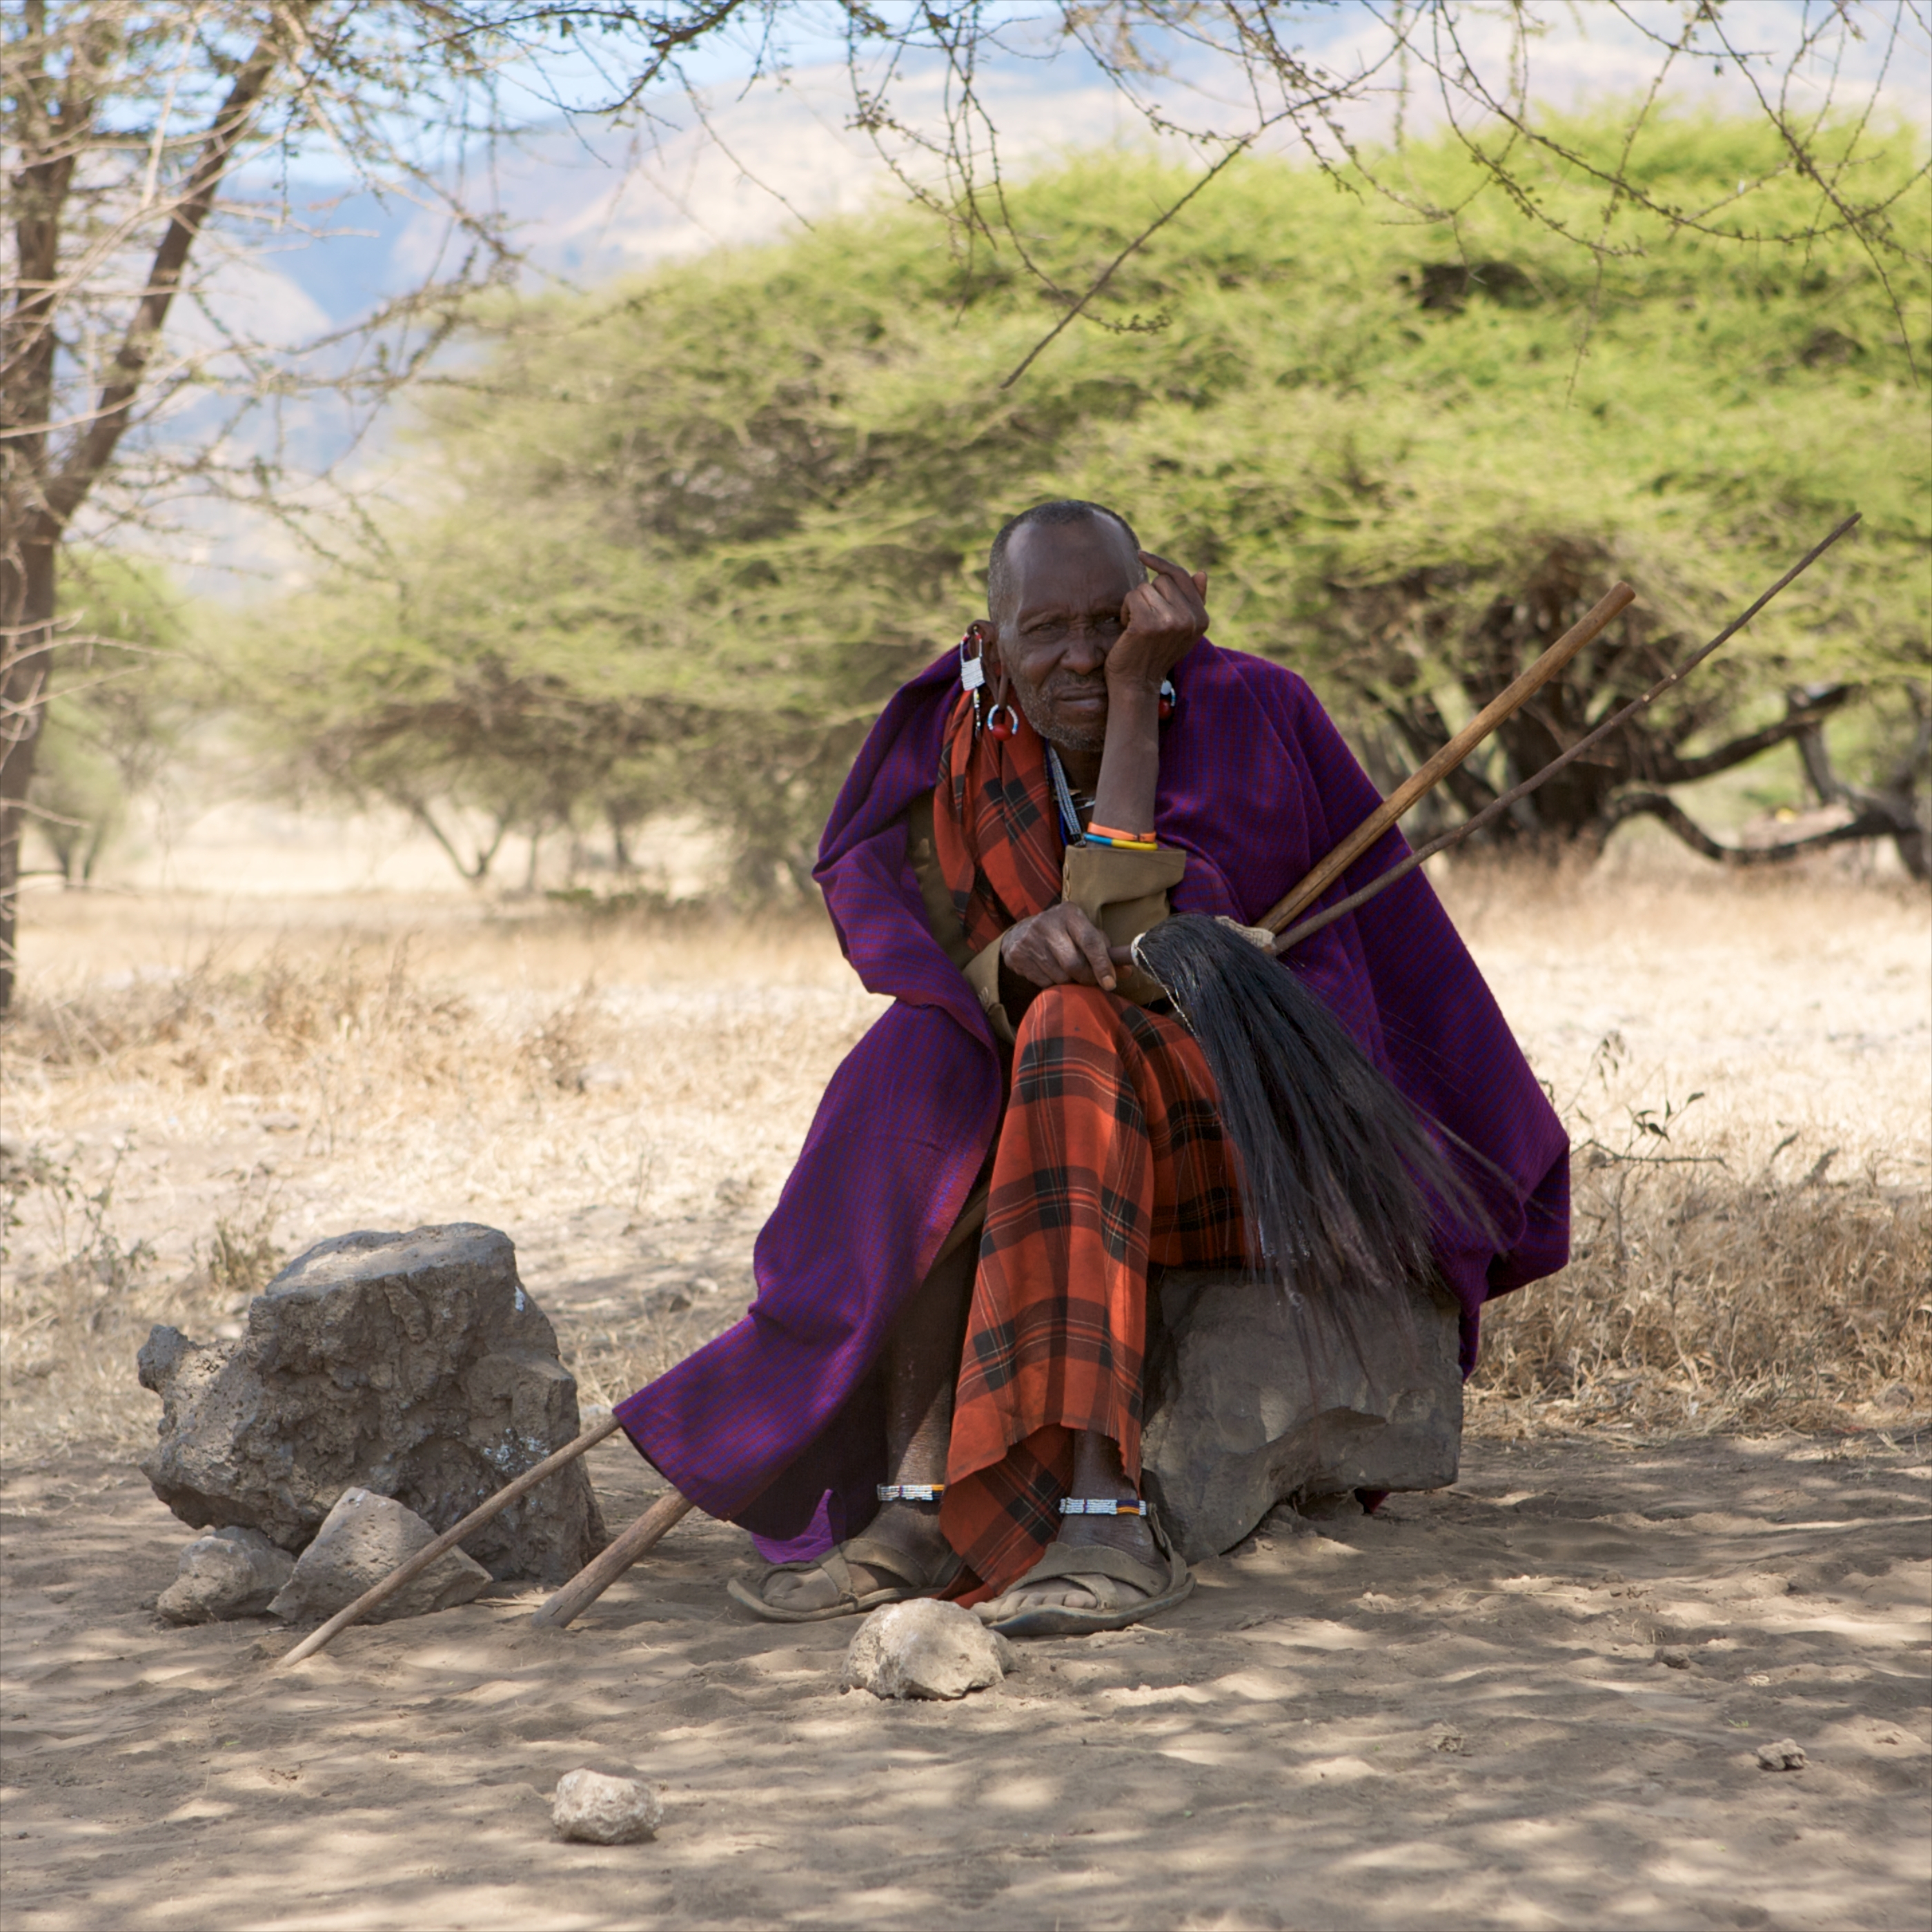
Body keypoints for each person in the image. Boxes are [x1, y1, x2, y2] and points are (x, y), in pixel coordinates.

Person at [613, 499, 1570, 1634]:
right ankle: (918, 1511)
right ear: (991, 638)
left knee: (1071, 1033)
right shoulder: (962, 732)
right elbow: (920, 944)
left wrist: (1132, 698)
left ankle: (1100, 1509)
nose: (1078, 656)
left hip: (1251, 1130)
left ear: (1155, 610)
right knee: (927, 1064)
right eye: (1046, 631)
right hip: (1063, 1107)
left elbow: (1152, 950)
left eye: (1107, 625)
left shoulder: (1245, 710)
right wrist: (1002, 960)